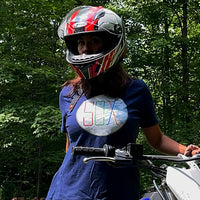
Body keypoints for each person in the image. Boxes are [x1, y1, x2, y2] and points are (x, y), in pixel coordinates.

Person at [46, 6, 200, 200]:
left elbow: (157, 140)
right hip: (68, 192)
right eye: (80, 42)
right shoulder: (68, 93)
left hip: (119, 192)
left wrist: (186, 151)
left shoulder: (136, 90)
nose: (85, 48)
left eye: (94, 41)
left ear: (111, 43)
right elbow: (71, 146)